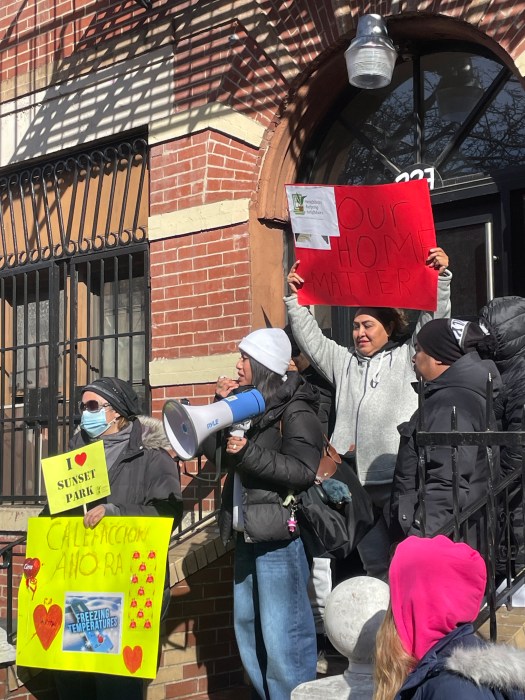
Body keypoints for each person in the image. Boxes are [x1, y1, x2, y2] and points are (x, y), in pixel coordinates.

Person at [285, 248, 451, 577]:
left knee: (404, 565)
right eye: (356, 325)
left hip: (396, 481)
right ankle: (380, 628)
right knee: (374, 566)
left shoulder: (407, 356)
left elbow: (434, 321)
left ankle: (403, 626)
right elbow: (311, 338)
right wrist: (294, 299)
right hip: (351, 483)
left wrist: (440, 279)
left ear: (389, 327)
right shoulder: (342, 360)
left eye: (368, 325)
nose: (359, 332)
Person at [52, 377, 183, 700]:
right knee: (74, 679)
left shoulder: (153, 456)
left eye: (93, 406)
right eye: (82, 407)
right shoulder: (75, 455)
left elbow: (168, 514)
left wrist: (116, 511)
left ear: (118, 412)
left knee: (116, 683)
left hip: (127, 583)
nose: (86, 414)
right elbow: (57, 513)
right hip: (83, 584)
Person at [213, 328, 323, 699]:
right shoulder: (244, 405)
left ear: (261, 365)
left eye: (244, 358)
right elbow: (221, 457)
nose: (238, 365)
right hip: (246, 531)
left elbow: (302, 471)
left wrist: (247, 453)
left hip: (279, 535)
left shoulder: (296, 408)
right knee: (248, 630)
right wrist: (219, 410)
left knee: (283, 636)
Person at [373, 535, 525, 700]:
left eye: (396, 597)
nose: (392, 610)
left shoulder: (452, 689)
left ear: (418, 604)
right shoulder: (440, 676)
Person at [390, 318, 500, 540]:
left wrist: (417, 541)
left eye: (419, 350)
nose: (413, 357)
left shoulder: (452, 402)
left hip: (444, 542)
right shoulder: (457, 396)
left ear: (439, 356)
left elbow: (446, 485)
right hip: (452, 537)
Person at [479, 296, 525, 572]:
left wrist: (498, 487)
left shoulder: (519, 374)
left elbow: (519, 444)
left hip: (513, 495)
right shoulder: (502, 369)